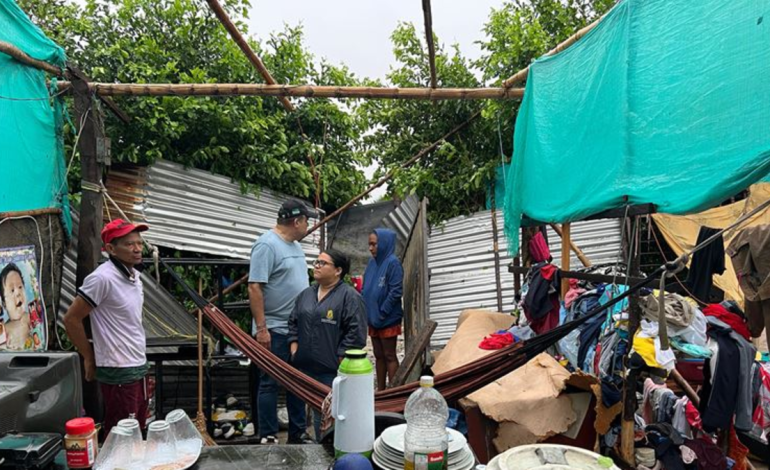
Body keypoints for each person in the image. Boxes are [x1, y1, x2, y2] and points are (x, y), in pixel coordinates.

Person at [63, 218, 149, 437]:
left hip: (137, 363)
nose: (138, 248)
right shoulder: (102, 278)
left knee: (138, 429)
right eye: (130, 244)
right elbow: (71, 319)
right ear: (111, 248)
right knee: (122, 435)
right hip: (118, 367)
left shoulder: (134, 276)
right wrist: (89, 357)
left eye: (139, 242)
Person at [249, 200, 317, 445]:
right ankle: (267, 435)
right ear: (297, 221)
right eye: (307, 221)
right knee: (270, 382)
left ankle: (297, 433)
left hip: (297, 329)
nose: (309, 226)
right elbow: (255, 286)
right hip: (274, 329)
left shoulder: (296, 245)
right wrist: (262, 328)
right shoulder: (267, 245)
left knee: (297, 380)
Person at [288, 249, 367, 441]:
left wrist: (340, 357)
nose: (316, 266)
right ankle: (305, 444)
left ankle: (324, 449)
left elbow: (356, 333)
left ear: (338, 270)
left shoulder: (349, 297)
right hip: (303, 366)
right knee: (300, 407)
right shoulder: (306, 294)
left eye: (323, 263)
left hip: (330, 370)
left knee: (324, 413)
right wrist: (294, 347)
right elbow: (293, 322)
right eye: (316, 262)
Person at [362, 228, 403, 391]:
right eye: (369, 245)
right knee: (378, 355)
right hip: (373, 318)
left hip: (387, 318)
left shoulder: (393, 263)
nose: (370, 248)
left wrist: (382, 312)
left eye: (374, 244)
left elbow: (395, 292)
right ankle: (380, 391)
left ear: (384, 244)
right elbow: (366, 286)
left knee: (389, 355)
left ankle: (393, 392)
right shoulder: (372, 263)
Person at [0, 263, 32, 350]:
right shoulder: (5, 329)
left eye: (20, 287)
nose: (18, 293)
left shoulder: (29, 318)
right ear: (4, 304)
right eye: (12, 290)